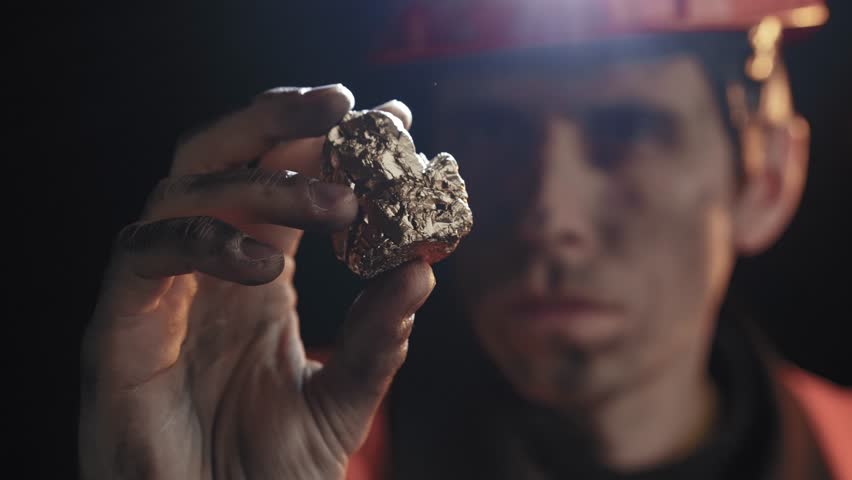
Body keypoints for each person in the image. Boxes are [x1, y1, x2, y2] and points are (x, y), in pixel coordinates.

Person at [79, 1, 851, 479]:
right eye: (495, 132)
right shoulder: (288, 451)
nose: (551, 216)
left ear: (766, 179)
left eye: (628, 131)